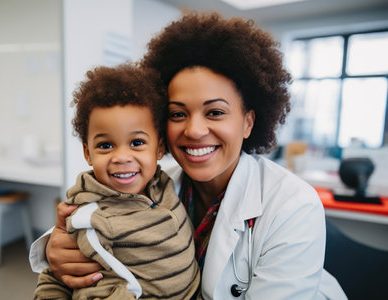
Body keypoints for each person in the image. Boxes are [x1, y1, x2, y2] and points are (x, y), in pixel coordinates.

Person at [30, 12, 347, 299]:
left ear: (248, 122)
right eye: (177, 114)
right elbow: (109, 209)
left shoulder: (292, 205)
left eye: (215, 112)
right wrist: (56, 245)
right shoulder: (159, 182)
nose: (195, 130)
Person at [33, 64, 200, 299]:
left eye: (137, 142)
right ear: (88, 152)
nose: (122, 157)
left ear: (159, 147)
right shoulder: (91, 215)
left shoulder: (162, 184)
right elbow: (56, 275)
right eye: (105, 145)